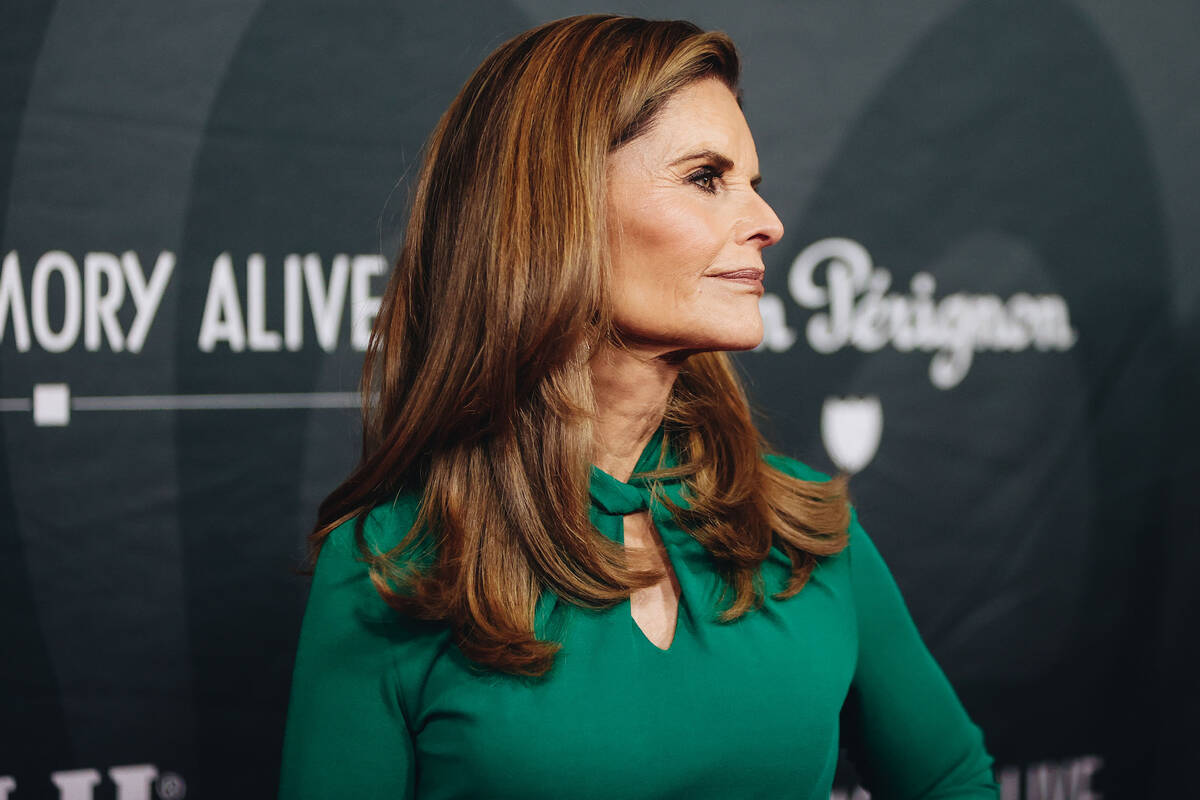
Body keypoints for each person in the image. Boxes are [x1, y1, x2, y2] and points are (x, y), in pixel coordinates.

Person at [279, 14, 998, 799]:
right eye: (705, 178)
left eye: (754, 184)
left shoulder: (802, 534)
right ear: (559, 208)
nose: (767, 223)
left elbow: (952, 779)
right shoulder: (396, 567)